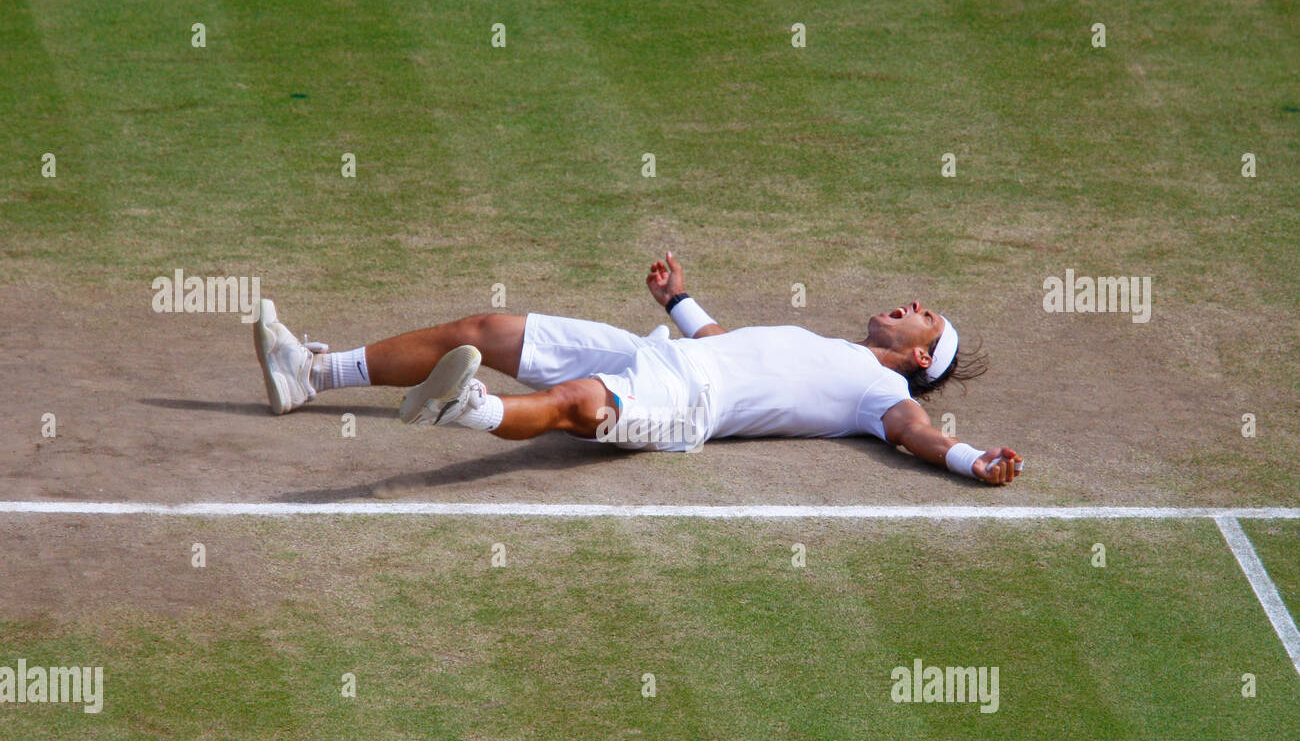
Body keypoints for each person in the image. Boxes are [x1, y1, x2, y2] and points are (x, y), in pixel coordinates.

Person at [254, 252, 1023, 483]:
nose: (912, 300)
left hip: (688, 405)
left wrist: (971, 458)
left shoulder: (882, 391)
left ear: (920, 355)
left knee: (578, 403)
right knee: (487, 327)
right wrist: (680, 302)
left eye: (925, 312)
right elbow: (728, 341)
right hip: (666, 354)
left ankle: (474, 412)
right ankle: (312, 374)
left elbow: (914, 434)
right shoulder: (834, 352)